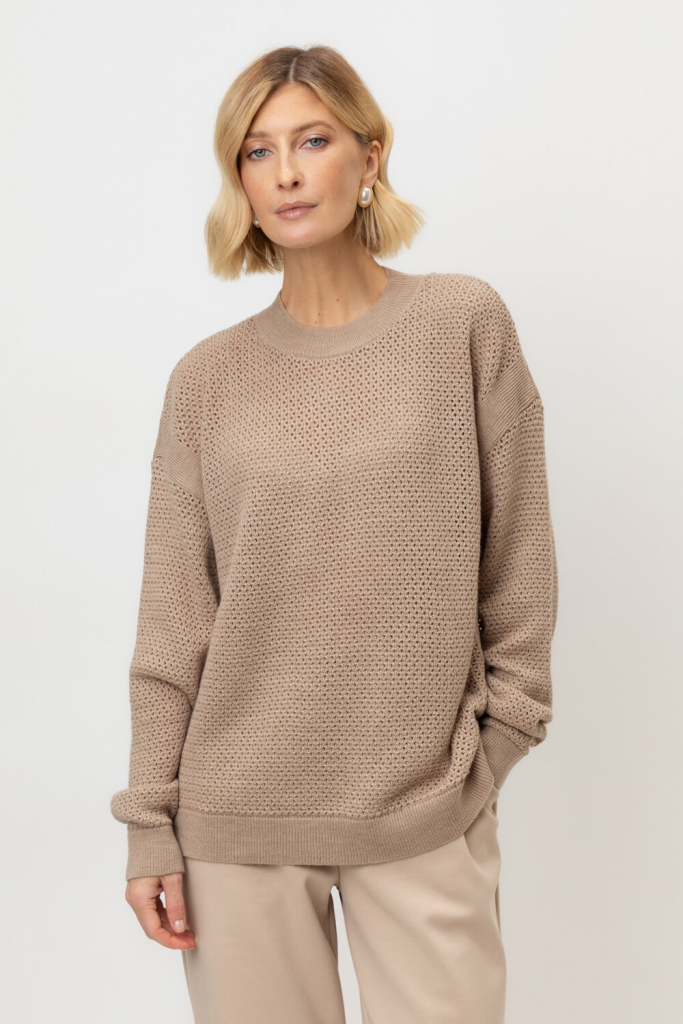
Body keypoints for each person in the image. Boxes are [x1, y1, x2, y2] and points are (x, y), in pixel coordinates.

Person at [110, 43, 559, 1024]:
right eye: (257, 151)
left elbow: (517, 562)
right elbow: (175, 620)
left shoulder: (460, 323)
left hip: (422, 807)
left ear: (368, 156)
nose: (285, 172)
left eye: (311, 141)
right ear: (239, 180)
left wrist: (494, 746)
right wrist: (149, 822)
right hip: (234, 821)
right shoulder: (206, 380)